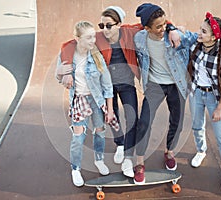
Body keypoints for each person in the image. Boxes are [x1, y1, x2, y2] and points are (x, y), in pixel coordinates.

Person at [56, 6, 181, 178]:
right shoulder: (99, 37)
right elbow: (69, 45)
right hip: (108, 87)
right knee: (111, 116)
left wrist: (172, 29)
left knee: (132, 118)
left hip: (127, 83)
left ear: (119, 24)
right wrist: (66, 68)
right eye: (102, 25)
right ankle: (120, 144)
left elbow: (157, 22)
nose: (105, 30)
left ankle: (128, 157)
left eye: (109, 25)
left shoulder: (130, 32)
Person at [133, 3, 199, 184]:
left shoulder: (174, 35)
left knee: (176, 122)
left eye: (164, 24)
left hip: (177, 84)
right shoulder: (139, 38)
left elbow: (200, 37)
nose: (163, 28)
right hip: (154, 85)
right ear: (146, 28)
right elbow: (119, 29)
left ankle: (169, 152)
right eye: (159, 26)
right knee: (144, 121)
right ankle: (139, 162)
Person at [56, 21, 115, 187]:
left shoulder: (97, 57)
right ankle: (76, 169)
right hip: (79, 100)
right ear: (77, 38)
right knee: (78, 136)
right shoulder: (66, 56)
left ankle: (99, 160)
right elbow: (57, 75)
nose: (93, 41)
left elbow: (107, 86)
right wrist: (64, 76)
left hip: (96, 100)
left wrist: (109, 110)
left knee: (100, 131)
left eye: (94, 37)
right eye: (89, 38)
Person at [187, 12, 221, 190]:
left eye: (204, 31)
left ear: (214, 37)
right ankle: (201, 150)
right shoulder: (196, 47)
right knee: (197, 126)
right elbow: (185, 36)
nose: (199, 33)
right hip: (197, 93)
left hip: (214, 98)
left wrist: (220, 107)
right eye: (200, 29)